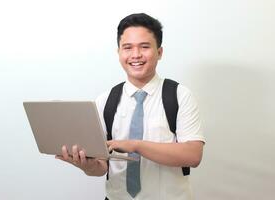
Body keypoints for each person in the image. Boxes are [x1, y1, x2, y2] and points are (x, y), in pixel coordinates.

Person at [55, 13, 205, 200]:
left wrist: (135, 145)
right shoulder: (106, 100)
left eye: (144, 47)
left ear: (159, 52)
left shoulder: (179, 96)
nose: (135, 55)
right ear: (118, 52)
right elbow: (101, 167)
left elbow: (192, 155)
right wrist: (85, 164)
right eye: (127, 47)